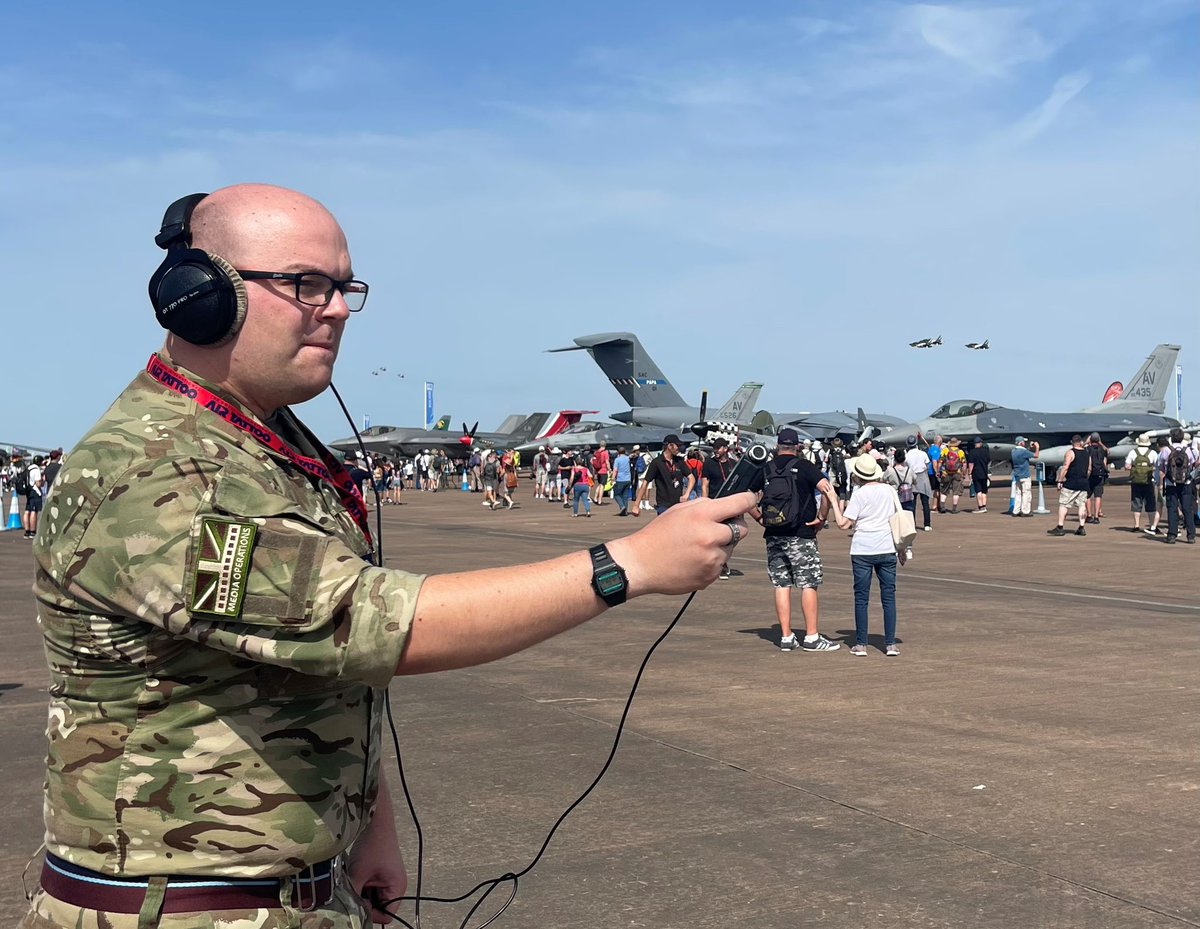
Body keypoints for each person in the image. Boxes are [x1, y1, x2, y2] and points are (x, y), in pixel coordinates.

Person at [20, 185, 755, 929]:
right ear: (202, 294)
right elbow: (364, 623)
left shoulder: (270, 441)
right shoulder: (152, 470)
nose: (336, 309)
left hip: (296, 892)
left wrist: (371, 828)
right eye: (305, 284)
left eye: (344, 288)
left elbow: (318, 670)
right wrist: (624, 564)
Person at [747, 428, 843, 652]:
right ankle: (811, 637)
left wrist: (760, 518)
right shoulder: (805, 467)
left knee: (781, 584)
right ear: (797, 446)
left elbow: (748, 497)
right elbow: (826, 489)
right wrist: (821, 516)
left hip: (773, 534)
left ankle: (786, 636)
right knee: (808, 583)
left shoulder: (767, 468)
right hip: (801, 534)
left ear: (778, 446)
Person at [837, 455, 902, 657]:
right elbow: (899, 519)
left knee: (861, 598)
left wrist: (832, 500)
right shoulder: (889, 490)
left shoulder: (859, 494)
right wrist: (903, 548)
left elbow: (843, 524)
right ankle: (890, 643)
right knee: (888, 597)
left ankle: (861, 644)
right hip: (886, 546)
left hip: (863, 549)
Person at [631, 434, 695, 516]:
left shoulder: (679, 461)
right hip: (663, 506)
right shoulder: (657, 462)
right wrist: (636, 505)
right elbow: (645, 483)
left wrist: (687, 494)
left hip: (678, 505)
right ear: (669, 446)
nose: (678, 448)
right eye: (677, 445)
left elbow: (691, 478)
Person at [1157, 427, 1197, 544]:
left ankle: (1172, 535)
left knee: (1172, 509)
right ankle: (1191, 535)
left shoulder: (1166, 451)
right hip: (1186, 483)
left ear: (1171, 438)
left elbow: (1161, 467)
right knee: (1187, 509)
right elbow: (1194, 463)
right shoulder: (1188, 450)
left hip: (1171, 483)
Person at [1049, 434, 1090, 536]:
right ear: (1080, 442)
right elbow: (1089, 469)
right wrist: (1085, 479)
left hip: (1071, 483)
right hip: (1083, 483)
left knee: (1064, 504)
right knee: (1081, 505)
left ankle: (1060, 527)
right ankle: (1081, 527)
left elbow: (1065, 467)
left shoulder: (1070, 452)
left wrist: (1060, 480)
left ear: (1072, 443)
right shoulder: (1086, 453)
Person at [883, 448, 916, 562]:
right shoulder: (909, 470)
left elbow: (883, 479)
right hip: (908, 498)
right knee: (908, 523)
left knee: (895, 523)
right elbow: (915, 480)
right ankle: (909, 548)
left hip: (895, 498)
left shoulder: (890, 471)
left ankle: (897, 547)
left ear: (895, 458)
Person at [1125, 433, 1159, 535]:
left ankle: (1136, 525)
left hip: (1135, 482)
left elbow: (1127, 466)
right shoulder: (1152, 453)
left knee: (1136, 503)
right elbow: (1157, 466)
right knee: (1150, 504)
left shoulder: (1132, 452)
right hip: (1148, 481)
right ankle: (1152, 525)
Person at [903, 435, 934, 531]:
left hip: (911, 478)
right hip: (923, 477)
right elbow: (928, 464)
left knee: (912, 504)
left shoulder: (906, 456)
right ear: (916, 443)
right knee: (925, 503)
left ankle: (913, 524)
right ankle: (927, 525)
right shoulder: (923, 453)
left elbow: (905, 467)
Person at [1009, 436, 1039, 517]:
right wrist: (1037, 447)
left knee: (1018, 493)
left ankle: (1016, 510)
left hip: (1017, 475)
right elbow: (1036, 455)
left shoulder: (1013, 451)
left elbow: (1024, 452)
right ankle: (1025, 511)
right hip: (1025, 475)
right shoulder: (1023, 452)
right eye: (1023, 442)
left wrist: (1029, 448)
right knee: (1026, 493)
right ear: (1021, 443)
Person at [937, 437, 967, 514]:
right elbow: (964, 463)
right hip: (957, 473)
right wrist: (964, 473)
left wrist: (938, 471)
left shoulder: (945, 450)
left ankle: (942, 507)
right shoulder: (960, 452)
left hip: (946, 473)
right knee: (956, 492)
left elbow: (940, 461)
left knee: (944, 491)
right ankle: (954, 509)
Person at [1085, 432, 1109, 524]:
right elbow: (1105, 460)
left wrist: (1085, 443)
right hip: (1100, 475)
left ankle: (1089, 515)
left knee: (1087, 496)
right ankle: (1096, 517)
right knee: (1098, 496)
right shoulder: (1102, 450)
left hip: (1089, 475)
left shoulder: (1087, 449)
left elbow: (1080, 449)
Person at [22, 454, 45, 539]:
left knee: (27, 511)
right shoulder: (36, 470)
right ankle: (32, 531)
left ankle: (27, 531)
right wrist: (42, 481)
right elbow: (38, 484)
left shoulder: (29, 468)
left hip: (28, 491)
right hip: (35, 491)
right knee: (33, 511)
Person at [966, 436, 990, 513]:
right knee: (984, 491)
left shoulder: (972, 452)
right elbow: (988, 460)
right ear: (980, 443)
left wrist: (969, 473)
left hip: (976, 473)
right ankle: (984, 506)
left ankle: (981, 507)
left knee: (978, 490)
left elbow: (971, 464)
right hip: (984, 472)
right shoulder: (986, 451)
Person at [611, 445, 633, 516]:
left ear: (618, 452)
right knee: (625, 496)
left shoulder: (617, 460)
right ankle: (625, 511)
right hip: (628, 479)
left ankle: (622, 507)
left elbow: (615, 470)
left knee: (616, 494)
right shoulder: (627, 458)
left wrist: (613, 478)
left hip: (620, 479)